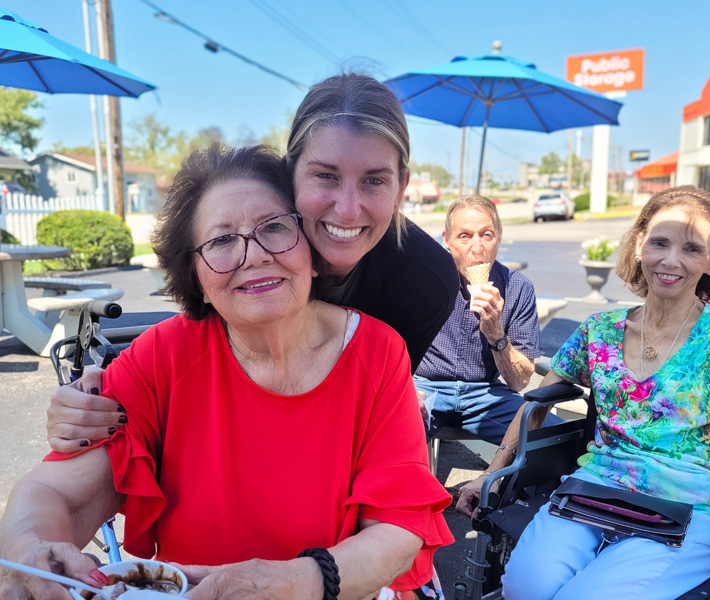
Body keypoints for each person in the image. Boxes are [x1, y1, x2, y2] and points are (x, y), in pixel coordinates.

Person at [0, 145, 453, 600]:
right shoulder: (163, 354)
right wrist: (30, 548)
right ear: (195, 275)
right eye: (220, 240)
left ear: (313, 251)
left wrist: (297, 581)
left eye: (274, 227)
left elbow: (397, 526)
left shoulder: (377, 351)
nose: (252, 255)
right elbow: (58, 492)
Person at [44, 72, 460, 454]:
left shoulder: (427, 281)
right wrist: (95, 401)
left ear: (402, 186)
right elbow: (194, 347)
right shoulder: (255, 245)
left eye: (374, 180)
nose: (348, 210)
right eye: (326, 176)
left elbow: (377, 404)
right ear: (290, 171)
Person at [464, 186, 710, 600]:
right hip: (595, 488)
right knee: (522, 587)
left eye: (692, 248)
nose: (671, 260)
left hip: (693, 505)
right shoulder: (599, 330)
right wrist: (492, 473)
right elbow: (535, 403)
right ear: (640, 244)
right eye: (660, 242)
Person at [414, 195, 555, 445]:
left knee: (552, 437)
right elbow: (390, 346)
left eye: (486, 235)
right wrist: (406, 391)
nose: (477, 249)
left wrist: (495, 333)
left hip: (485, 394)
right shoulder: (424, 280)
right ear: (447, 241)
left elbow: (519, 381)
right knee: (390, 431)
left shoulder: (518, 288)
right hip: (426, 387)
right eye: (465, 236)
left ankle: (501, 482)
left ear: (498, 238)